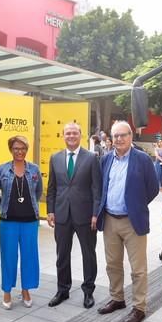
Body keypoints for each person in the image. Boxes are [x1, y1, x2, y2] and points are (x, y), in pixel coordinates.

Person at [96, 121, 159, 322]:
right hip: (111, 220)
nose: (119, 139)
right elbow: (102, 187)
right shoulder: (106, 160)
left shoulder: (142, 159)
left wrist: (136, 205)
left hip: (133, 222)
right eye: (116, 136)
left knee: (137, 269)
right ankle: (117, 299)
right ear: (111, 139)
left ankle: (139, 307)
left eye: (123, 135)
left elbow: (153, 188)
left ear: (131, 136)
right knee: (112, 264)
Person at [46, 123, 102, 309]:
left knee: (88, 254)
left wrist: (95, 213)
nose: (71, 136)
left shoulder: (91, 158)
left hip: (85, 215)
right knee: (62, 254)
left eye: (74, 133)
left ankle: (88, 291)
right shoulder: (55, 158)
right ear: (63, 136)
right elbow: (52, 188)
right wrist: (50, 210)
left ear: (81, 135)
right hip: (62, 213)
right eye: (68, 133)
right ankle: (63, 290)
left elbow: (96, 188)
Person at [0, 135, 42, 309]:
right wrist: (2, 207)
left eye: (22, 148)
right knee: (8, 256)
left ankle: (26, 290)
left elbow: (38, 192)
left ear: (27, 150)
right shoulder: (2, 169)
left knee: (30, 256)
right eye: (16, 148)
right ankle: (7, 291)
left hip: (30, 221)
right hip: (8, 221)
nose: (19, 151)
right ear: (11, 149)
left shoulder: (35, 170)